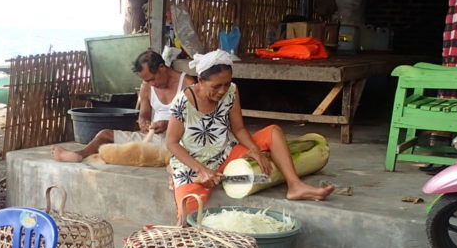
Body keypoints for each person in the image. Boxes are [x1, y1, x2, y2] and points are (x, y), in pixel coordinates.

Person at [166, 49, 334, 218]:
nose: (222, 90)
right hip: (193, 166)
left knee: (273, 132)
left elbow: (238, 128)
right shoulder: (183, 101)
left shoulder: (231, 90)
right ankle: (175, 175)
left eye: (226, 83)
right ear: (200, 80)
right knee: (188, 215)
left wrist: (254, 149)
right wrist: (201, 170)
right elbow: (171, 143)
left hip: (224, 154)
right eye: (216, 86)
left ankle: (295, 185)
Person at [51, 50, 196, 162]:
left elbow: (196, 120)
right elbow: (144, 114)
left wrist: (168, 124)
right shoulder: (147, 85)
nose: (151, 84)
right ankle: (78, 155)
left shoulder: (188, 83)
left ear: (162, 67)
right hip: (154, 138)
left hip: (179, 141)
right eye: (147, 80)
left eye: (153, 79)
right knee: (104, 134)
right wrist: (144, 122)